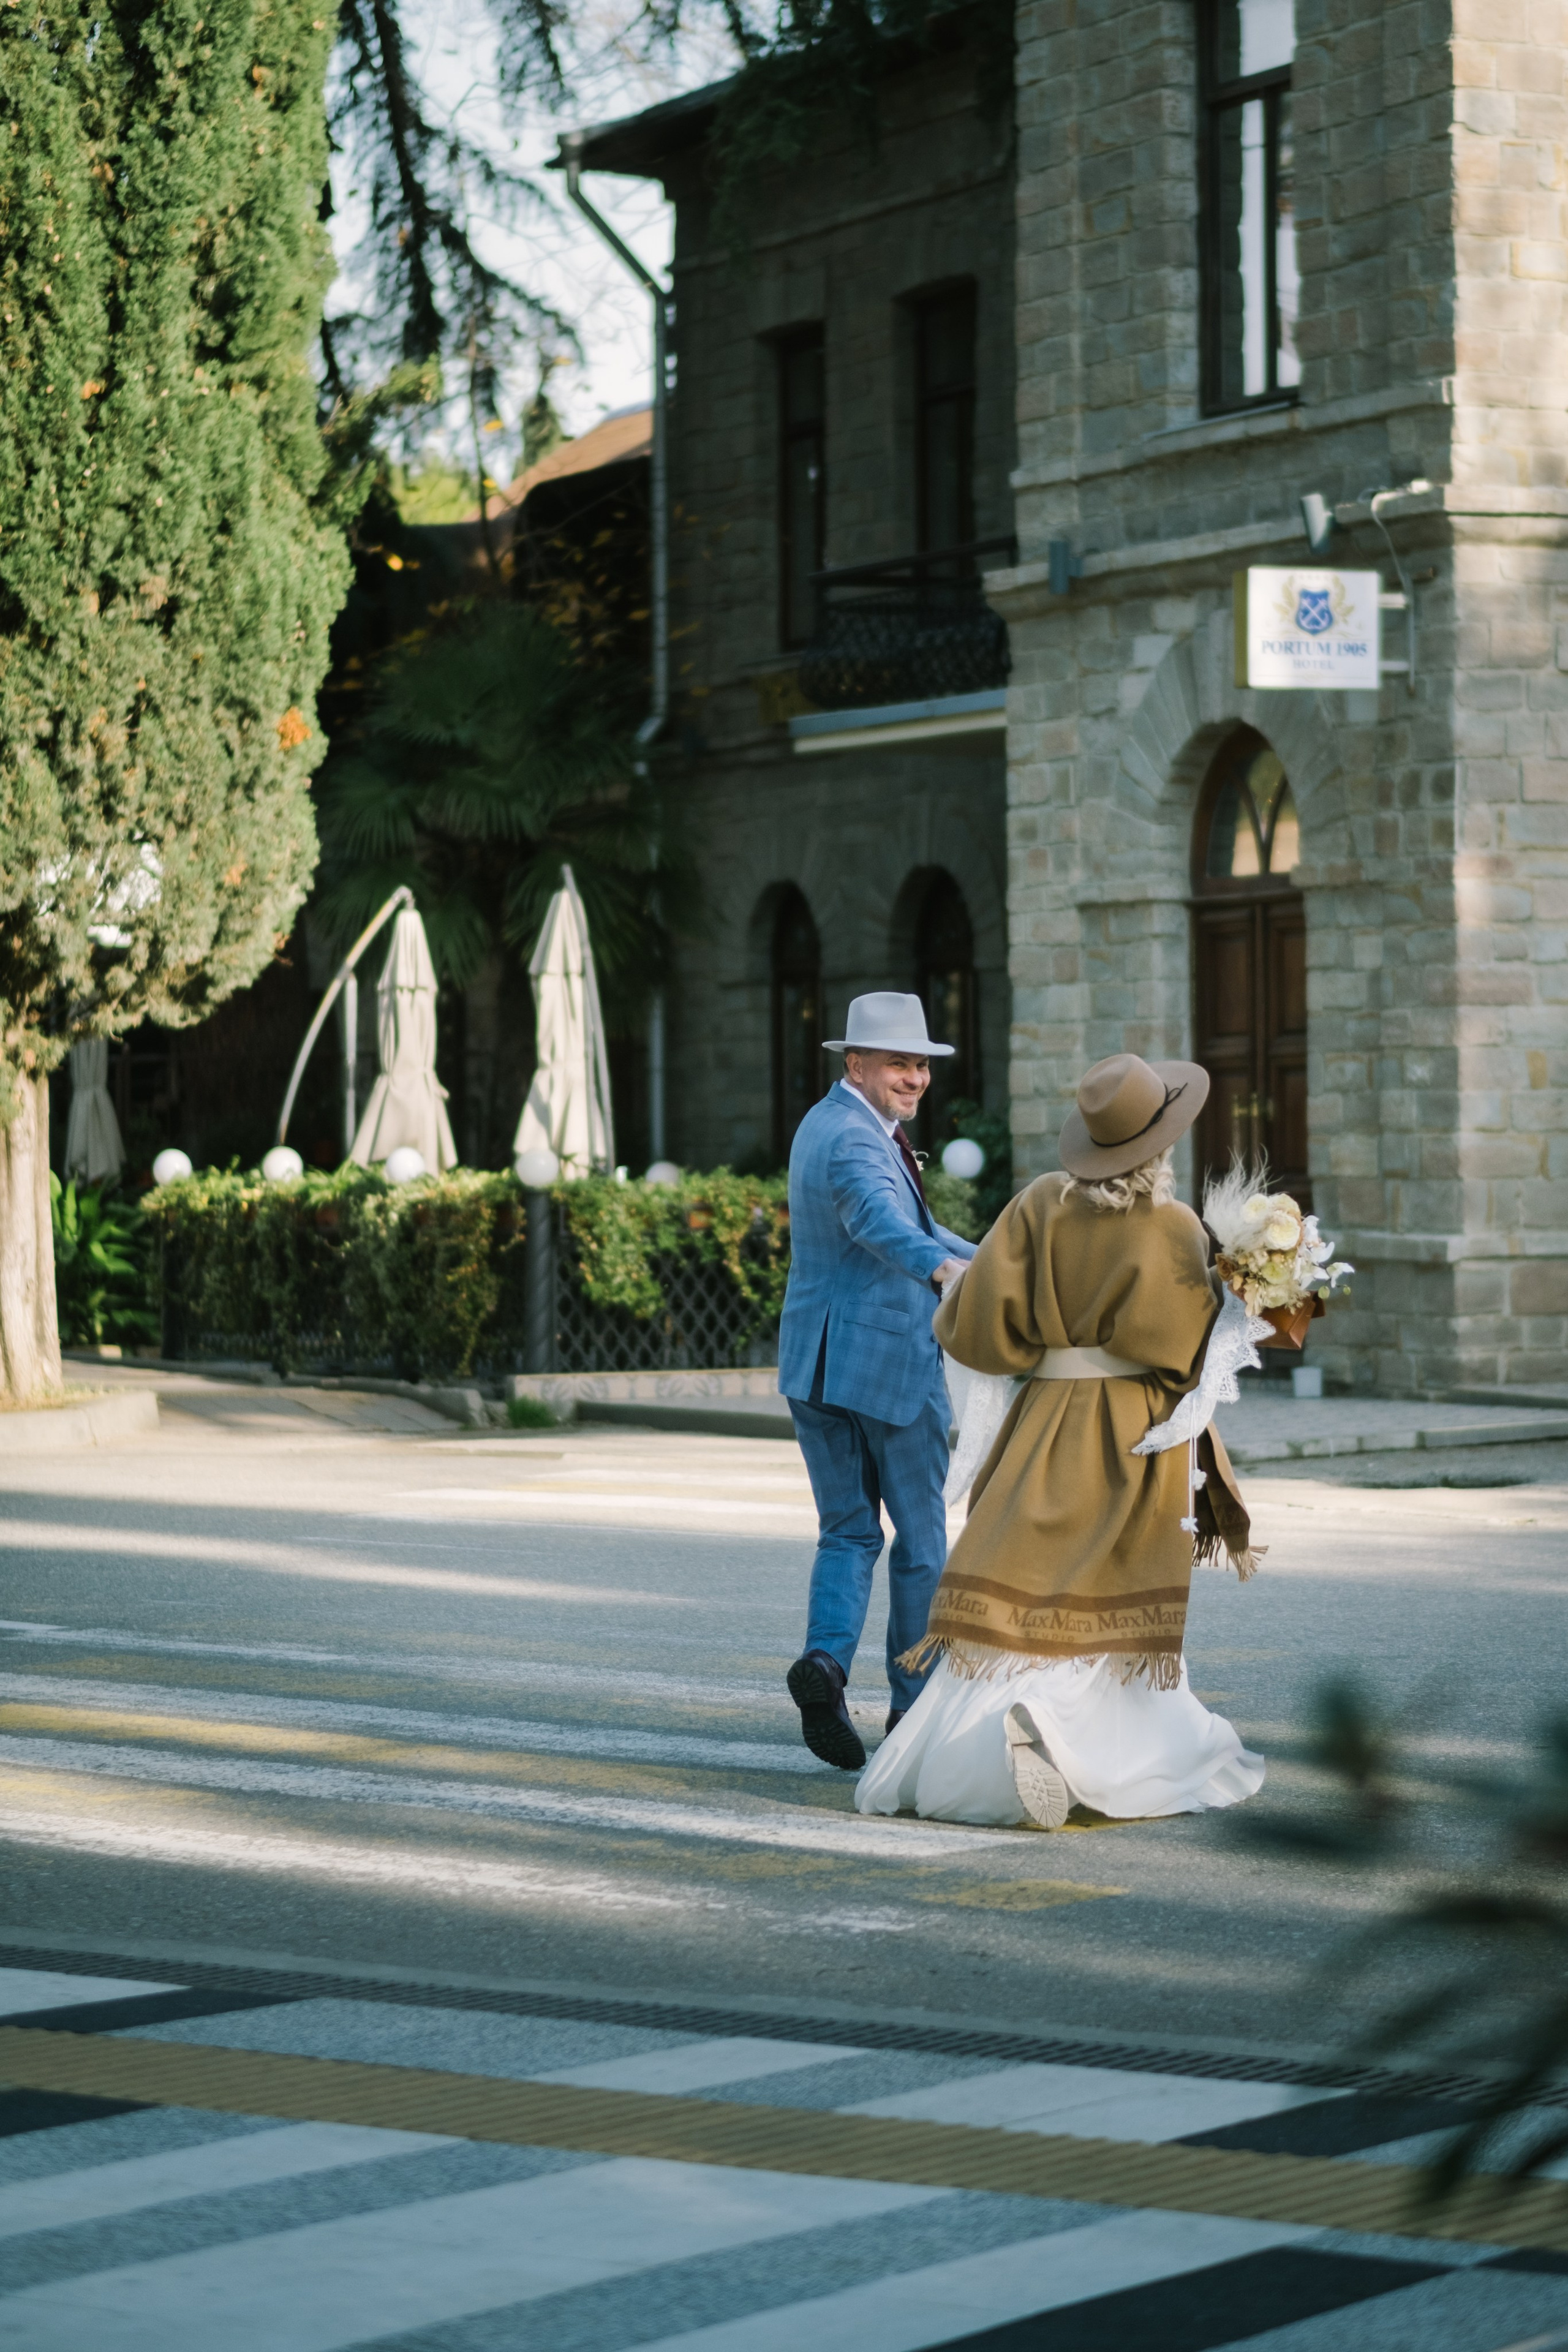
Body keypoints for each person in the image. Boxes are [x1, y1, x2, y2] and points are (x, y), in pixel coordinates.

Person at [857, 1050, 1267, 1829]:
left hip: (1044, 1423)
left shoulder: (1036, 1204)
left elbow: (975, 1330)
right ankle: (1055, 1728)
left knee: (1030, 1588)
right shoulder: (1174, 1227)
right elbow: (1186, 1353)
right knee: (1104, 1596)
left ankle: (988, 1743)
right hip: (1135, 1436)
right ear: (1160, 1144)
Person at [778, 992, 978, 1770]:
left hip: (815, 1365)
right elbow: (877, 1221)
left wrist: (991, 1256)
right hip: (886, 1364)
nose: (915, 1078)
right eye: (898, 1062)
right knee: (922, 1540)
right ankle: (913, 1710)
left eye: (922, 1064)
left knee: (849, 1531)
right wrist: (942, 1270)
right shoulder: (857, 1142)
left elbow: (917, 1224)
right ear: (854, 1062)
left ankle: (824, 1667)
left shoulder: (828, 1122)